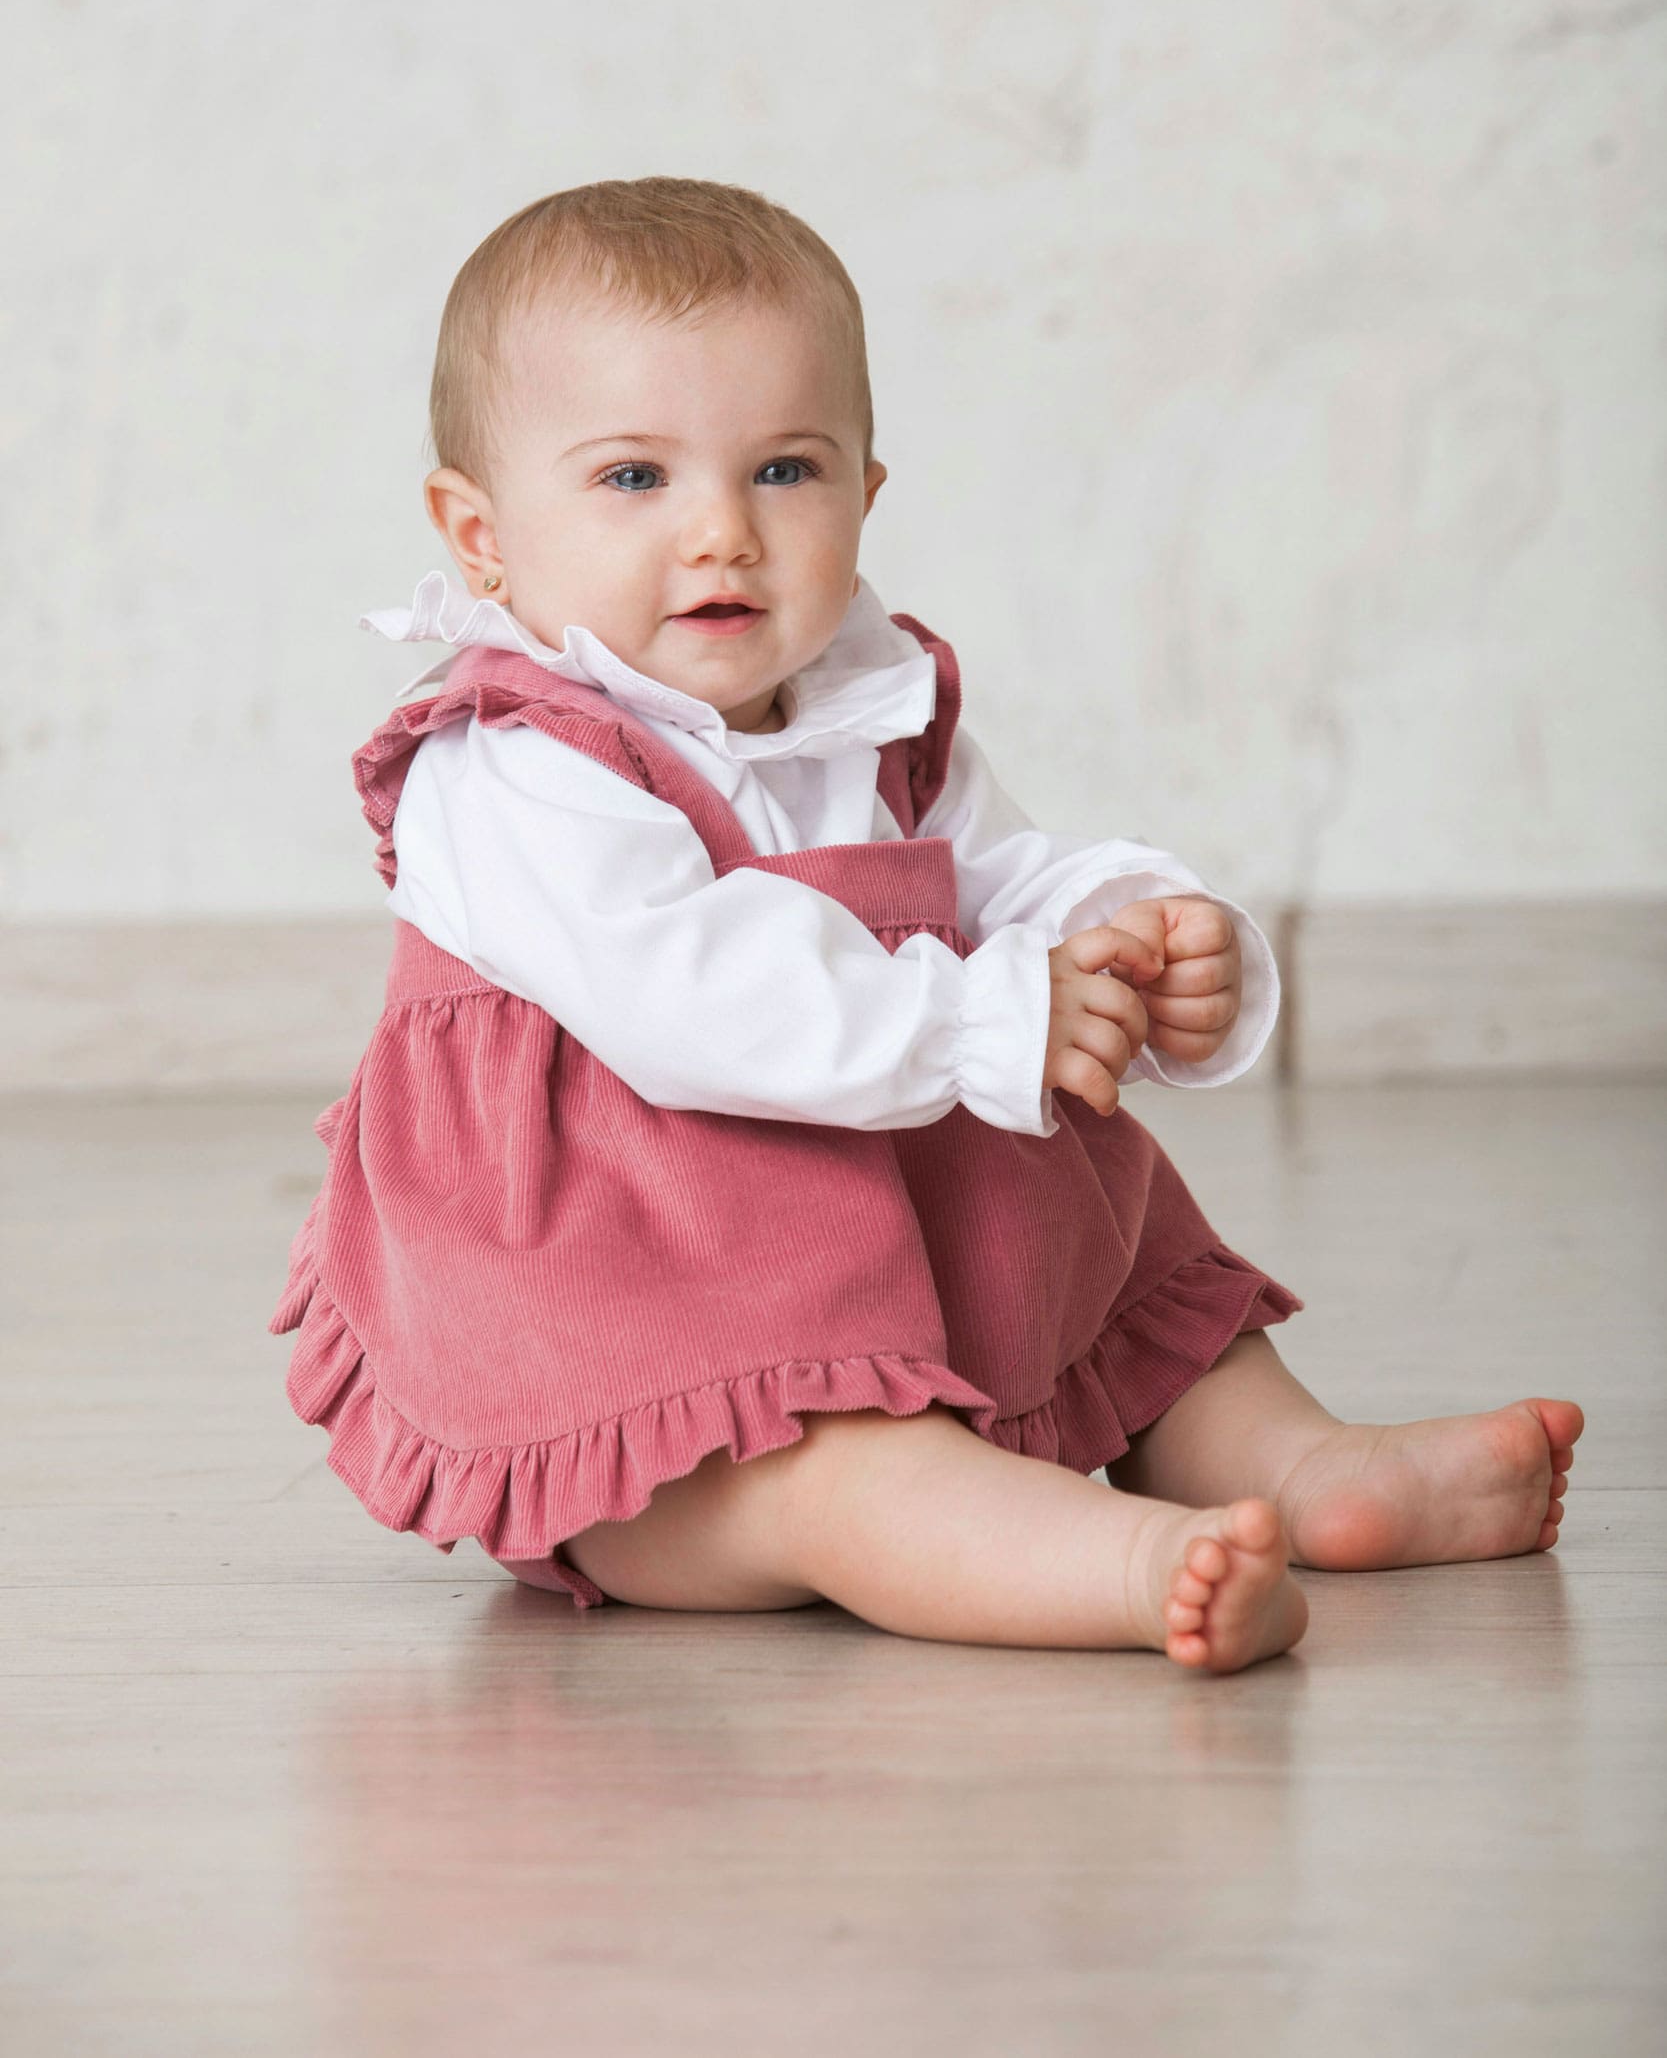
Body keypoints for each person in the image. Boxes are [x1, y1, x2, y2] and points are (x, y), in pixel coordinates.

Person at [269, 176, 1582, 1674]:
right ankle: (1124, 1563)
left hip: (880, 1246)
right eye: (635, 478)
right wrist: (980, 1018)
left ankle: (1297, 1462)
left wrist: (1127, 927)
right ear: (480, 533)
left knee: (1145, 1293)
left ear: (867, 494)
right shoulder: (506, 763)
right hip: (657, 1341)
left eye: (784, 471)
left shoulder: (872, 710)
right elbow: (682, 998)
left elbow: (993, 872)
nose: (722, 534)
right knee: (845, 1479)